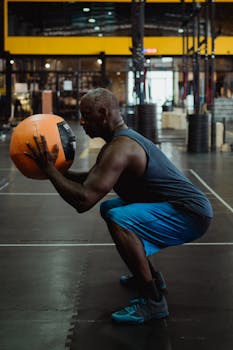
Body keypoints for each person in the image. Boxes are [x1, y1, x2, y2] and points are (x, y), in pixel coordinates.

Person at [25, 88, 213, 325]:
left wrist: (51, 172)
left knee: (119, 217)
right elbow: (90, 179)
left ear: (103, 113)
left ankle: (153, 301)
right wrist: (58, 170)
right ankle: (151, 278)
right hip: (176, 206)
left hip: (190, 213)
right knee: (110, 208)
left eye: (86, 115)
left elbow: (83, 201)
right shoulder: (118, 142)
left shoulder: (120, 148)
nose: (81, 121)